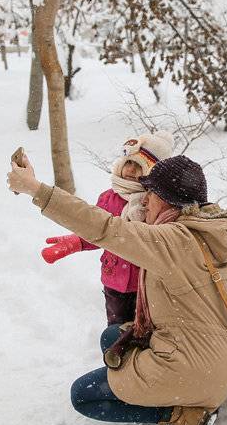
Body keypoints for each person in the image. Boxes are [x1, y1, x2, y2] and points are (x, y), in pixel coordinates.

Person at [8, 153, 227, 425]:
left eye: (150, 194)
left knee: (84, 396)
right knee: (112, 338)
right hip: (220, 360)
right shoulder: (205, 234)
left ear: (169, 200)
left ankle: (182, 413)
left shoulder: (174, 240)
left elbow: (106, 228)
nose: (144, 201)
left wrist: (35, 189)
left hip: (197, 369)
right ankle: (181, 393)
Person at [40, 132, 174, 325]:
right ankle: (114, 353)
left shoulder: (152, 202)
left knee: (143, 330)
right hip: (114, 281)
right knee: (116, 328)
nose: (131, 170)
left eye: (139, 166)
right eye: (128, 163)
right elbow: (97, 230)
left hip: (144, 284)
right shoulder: (108, 198)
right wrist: (75, 242)